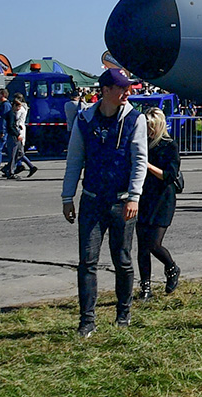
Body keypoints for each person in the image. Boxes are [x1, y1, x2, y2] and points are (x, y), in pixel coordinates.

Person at [61, 68, 148, 337]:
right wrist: (67, 196)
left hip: (123, 202)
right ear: (106, 90)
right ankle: (87, 320)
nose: (127, 92)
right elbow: (75, 160)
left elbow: (139, 161)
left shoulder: (135, 119)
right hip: (92, 201)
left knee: (122, 260)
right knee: (87, 261)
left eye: (128, 88)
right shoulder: (84, 120)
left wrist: (134, 196)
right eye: (121, 88)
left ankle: (124, 313)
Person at [136, 108, 181, 300]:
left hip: (163, 198)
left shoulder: (168, 145)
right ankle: (145, 288)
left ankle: (171, 267)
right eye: (145, 126)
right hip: (143, 197)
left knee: (153, 243)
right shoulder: (140, 143)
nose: (148, 130)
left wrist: (146, 164)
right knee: (142, 247)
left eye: (151, 126)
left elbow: (169, 175)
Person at [3, 92, 38, 178]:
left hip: (18, 130)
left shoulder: (18, 110)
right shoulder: (23, 108)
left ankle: (11, 168)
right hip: (19, 130)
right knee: (19, 152)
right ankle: (23, 167)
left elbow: (14, 122)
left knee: (17, 152)